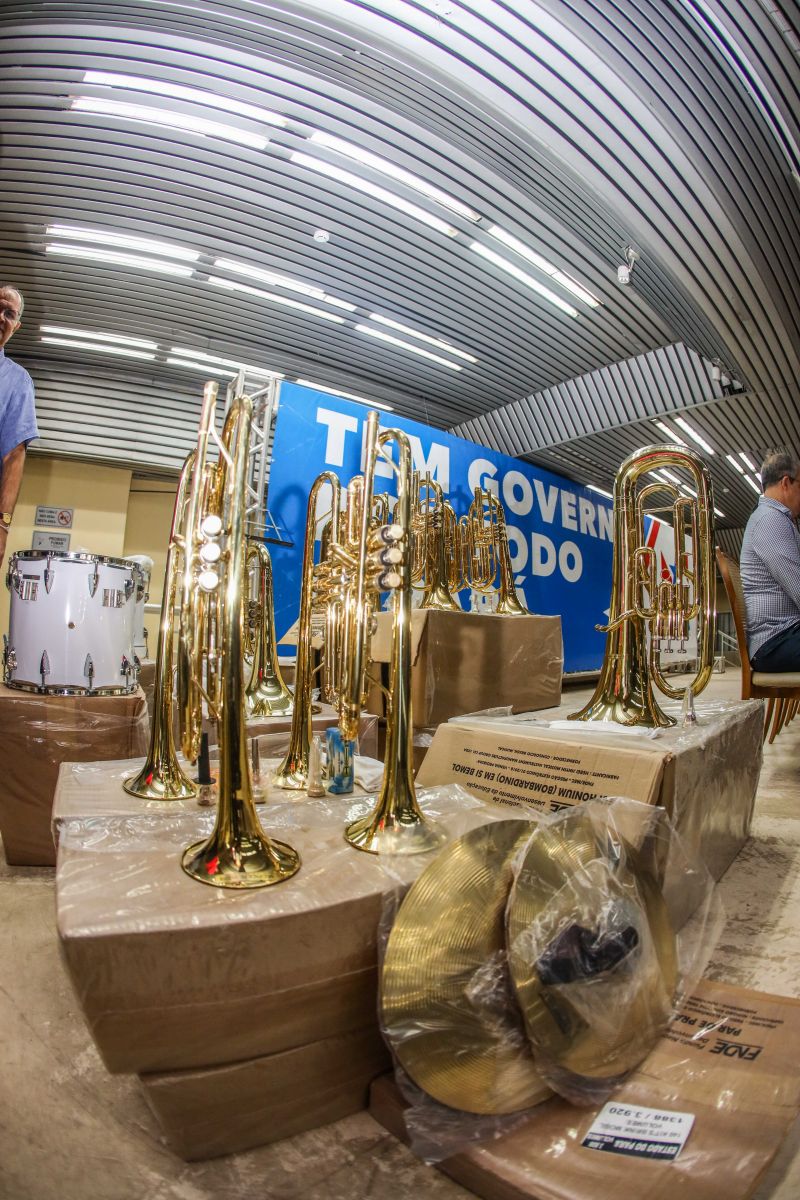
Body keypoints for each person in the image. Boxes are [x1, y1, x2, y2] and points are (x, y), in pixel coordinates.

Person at [740, 447, 800, 672]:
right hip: (775, 640)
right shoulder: (770, 520)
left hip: (783, 634)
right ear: (786, 483)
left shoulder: (774, 518)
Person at [0, 284, 38, 571]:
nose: (2, 317)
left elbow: (14, 455)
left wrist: (3, 525)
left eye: (9, 314)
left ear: (16, 325)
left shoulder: (17, 381)